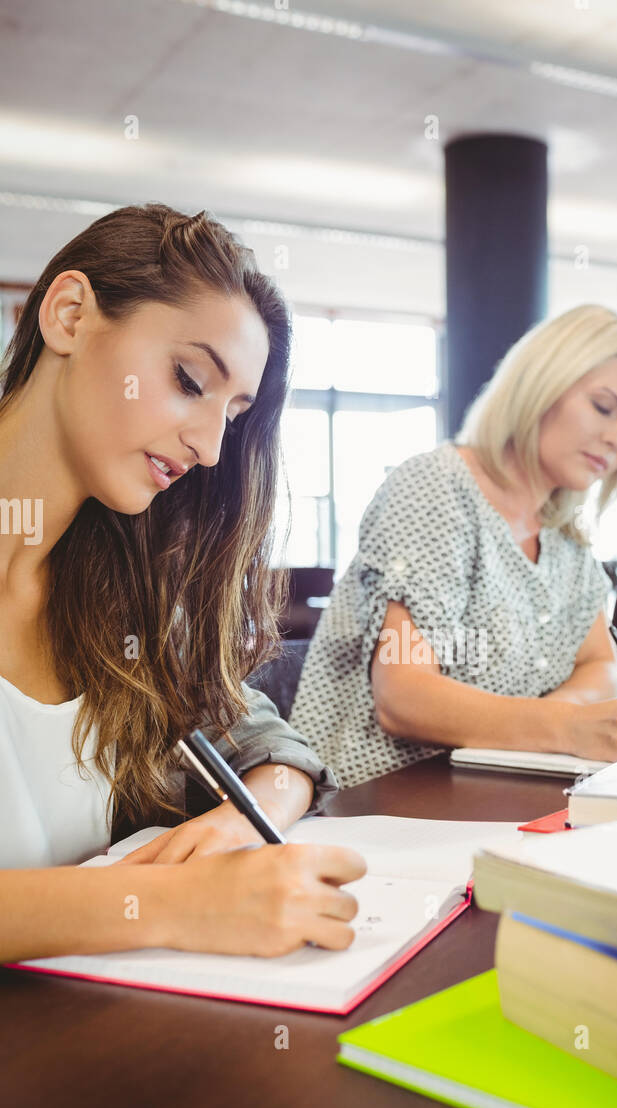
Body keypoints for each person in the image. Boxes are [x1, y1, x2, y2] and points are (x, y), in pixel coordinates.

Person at [0, 203, 364, 964]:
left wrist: (244, 817)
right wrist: (172, 904)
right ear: (68, 315)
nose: (208, 447)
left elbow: (269, 744)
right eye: (188, 379)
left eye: (234, 415)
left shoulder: (116, 591)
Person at [291, 304, 617, 788]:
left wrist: (548, 728)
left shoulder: (567, 540)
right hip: (375, 803)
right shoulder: (435, 488)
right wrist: (568, 728)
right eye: (603, 408)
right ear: (543, 385)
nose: (615, 440)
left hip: (493, 792)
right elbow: (404, 696)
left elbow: (601, 664)